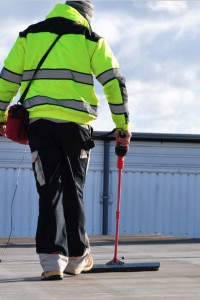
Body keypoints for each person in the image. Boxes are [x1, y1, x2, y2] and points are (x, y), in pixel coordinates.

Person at [0, 0, 131, 280]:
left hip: (40, 125)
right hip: (76, 126)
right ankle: (76, 257)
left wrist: (0, 116)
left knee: (49, 190)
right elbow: (114, 83)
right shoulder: (90, 39)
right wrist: (122, 125)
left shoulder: (29, 35)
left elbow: (7, 80)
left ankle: (51, 262)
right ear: (87, 16)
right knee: (74, 189)